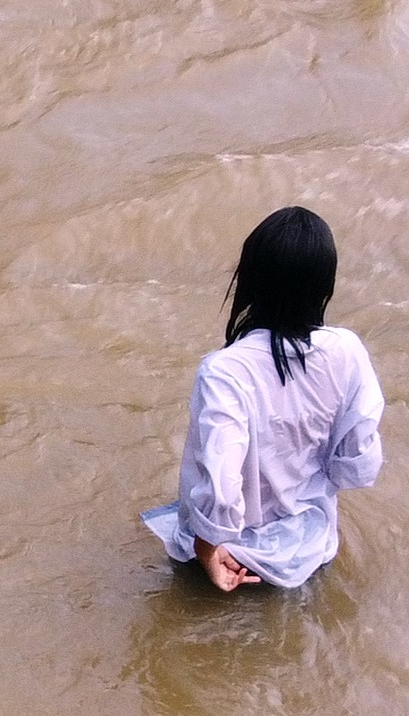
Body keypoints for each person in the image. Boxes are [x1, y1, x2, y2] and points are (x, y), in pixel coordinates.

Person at [139, 205, 385, 592]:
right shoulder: (347, 350)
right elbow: (358, 462)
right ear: (325, 286)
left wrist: (206, 550)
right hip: (310, 548)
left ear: (249, 280)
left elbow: (221, 477)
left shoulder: (224, 370)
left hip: (228, 557)